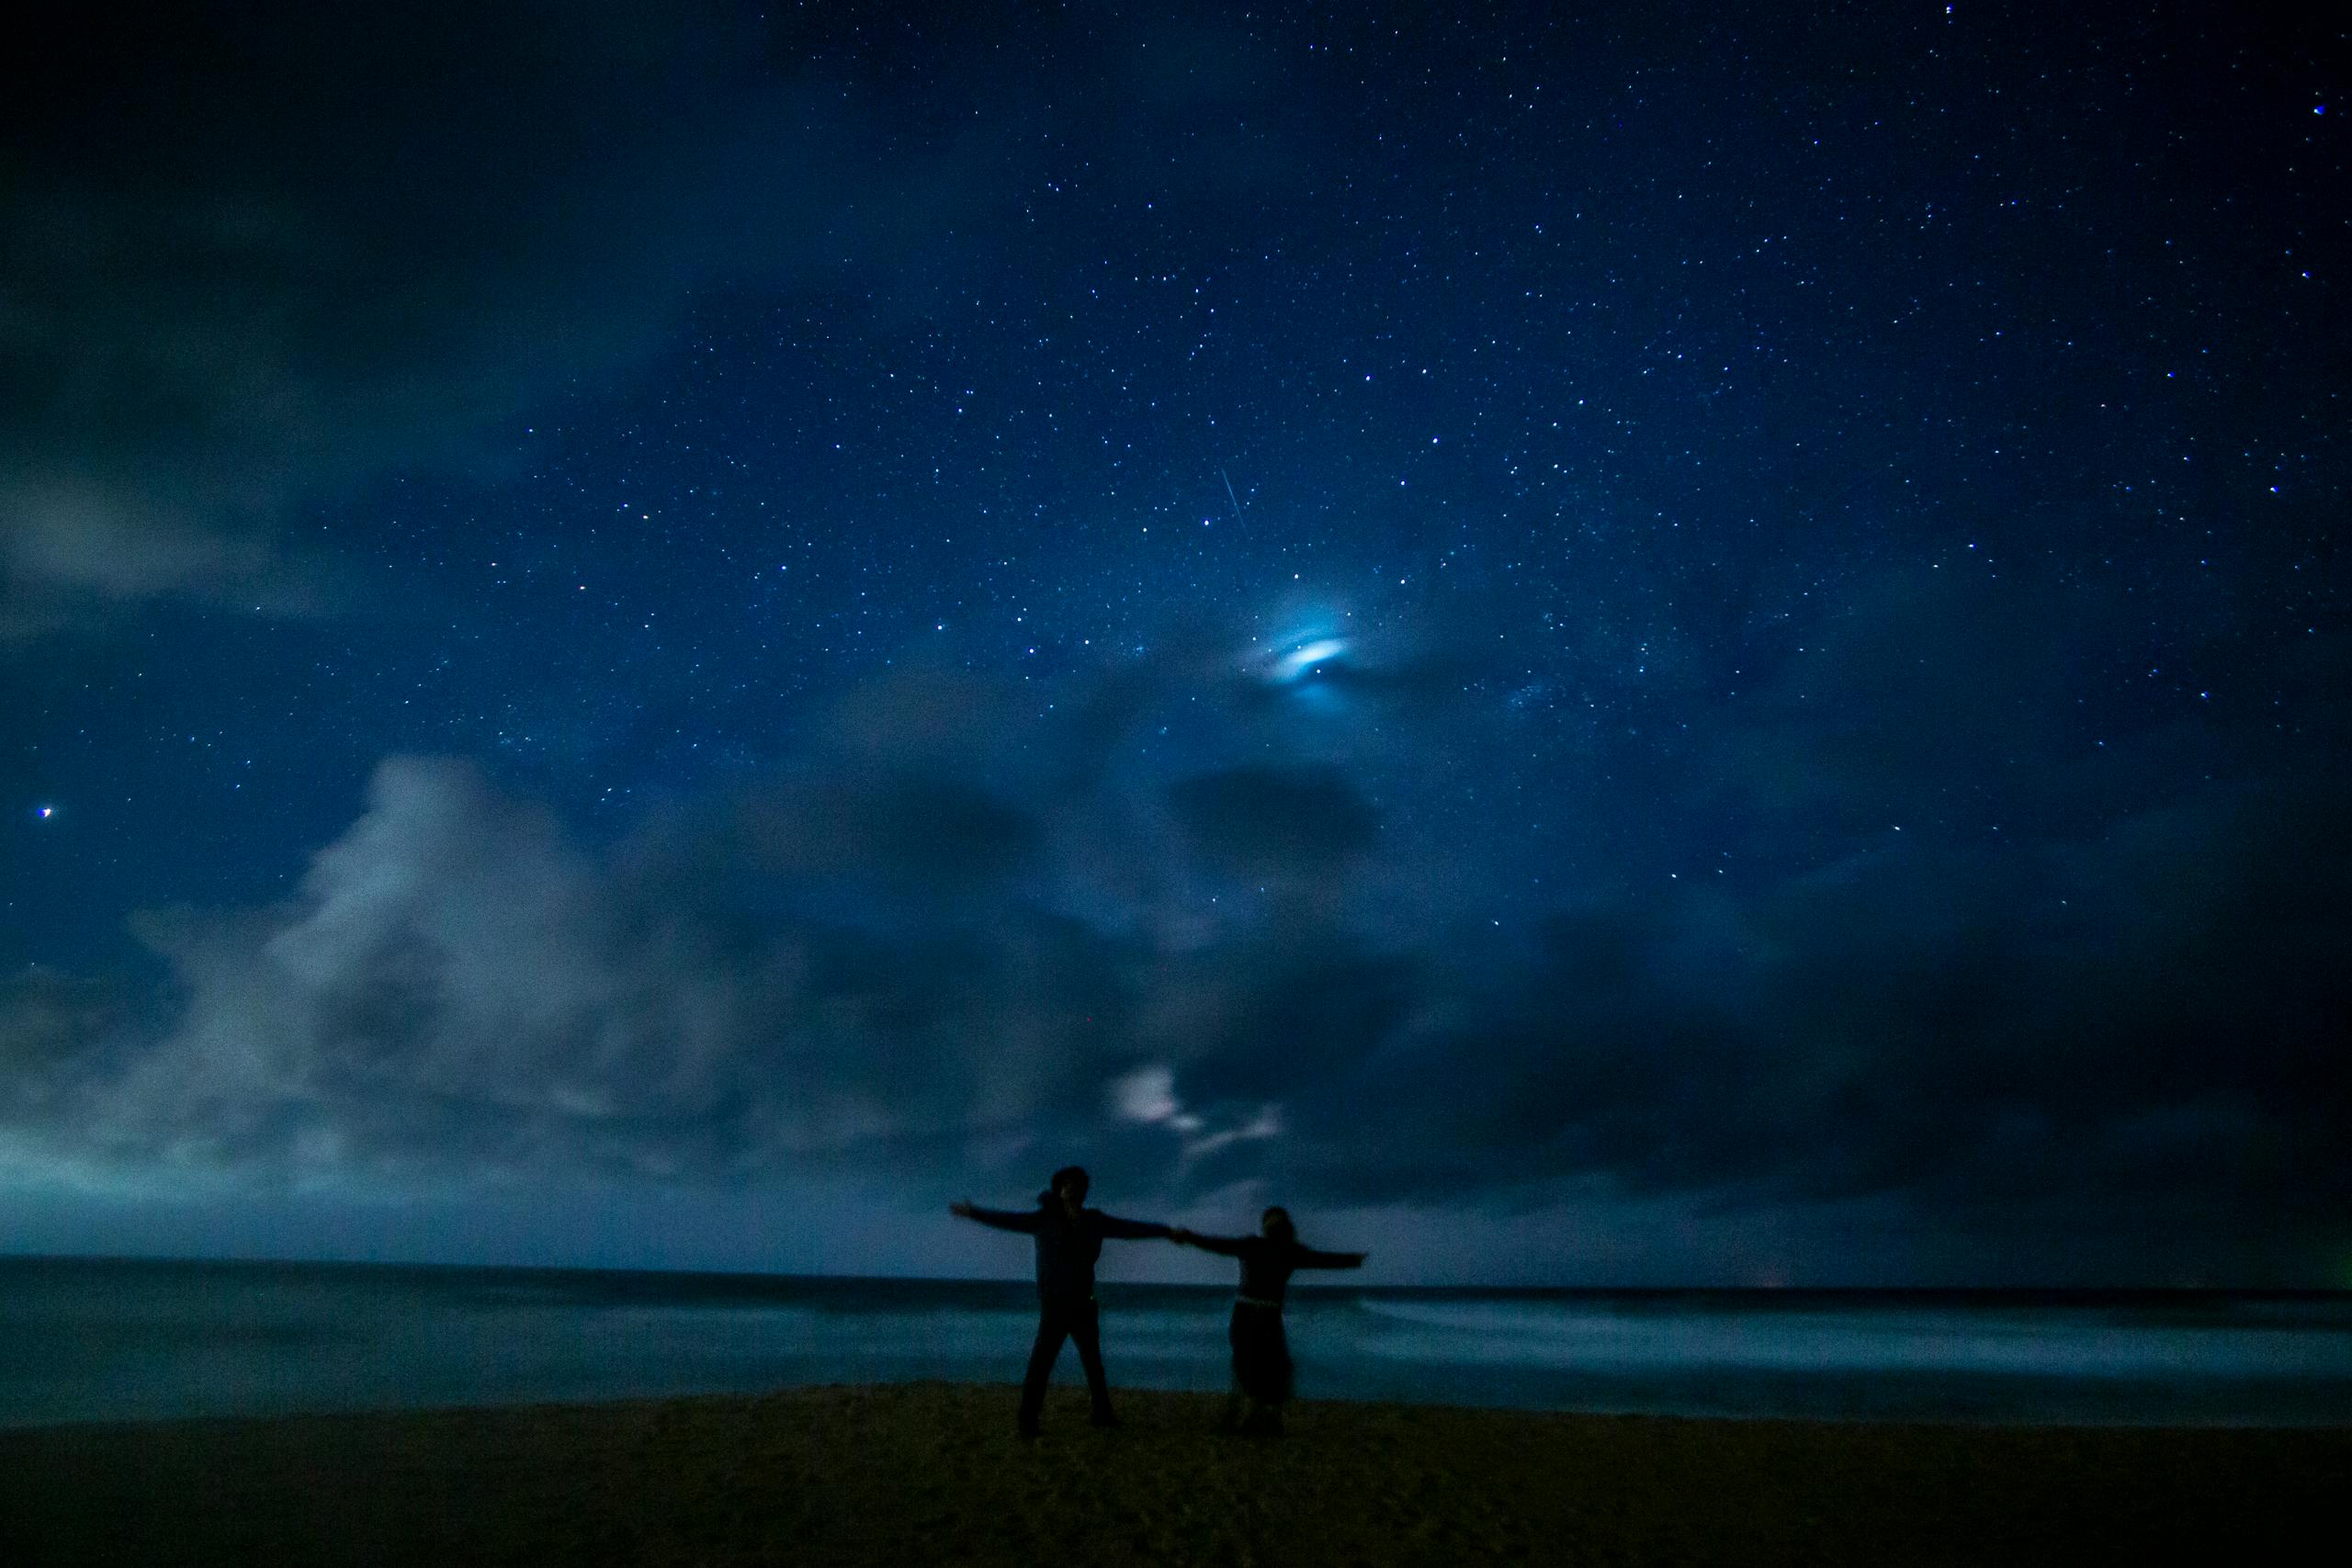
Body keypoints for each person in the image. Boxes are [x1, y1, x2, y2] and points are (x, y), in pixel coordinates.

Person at [951, 1166, 1176, 1437]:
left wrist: (1164, 1231)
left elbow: (1129, 1229)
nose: (1071, 1189)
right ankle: (1028, 1420)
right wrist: (974, 1212)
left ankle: (1102, 1413)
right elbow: (1009, 1220)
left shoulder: (1094, 1221)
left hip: (1084, 1302)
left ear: (1083, 1191)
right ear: (1058, 1190)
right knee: (1041, 1364)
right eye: (1066, 1185)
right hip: (1055, 1304)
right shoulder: (1044, 1220)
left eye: (1076, 1185)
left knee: (1093, 1363)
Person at [1172, 1206, 1366, 1435]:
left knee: (1264, 1365)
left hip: (1255, 1315)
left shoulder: (1277, 1249)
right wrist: (1353, 1260)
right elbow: (1218, 1244)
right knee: (1260, 1366)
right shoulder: (1275, 1248)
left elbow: (1321, 1260)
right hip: (1255, 1316)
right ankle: (1256, 1417)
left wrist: (1189, 1237)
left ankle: (1258, 1417)